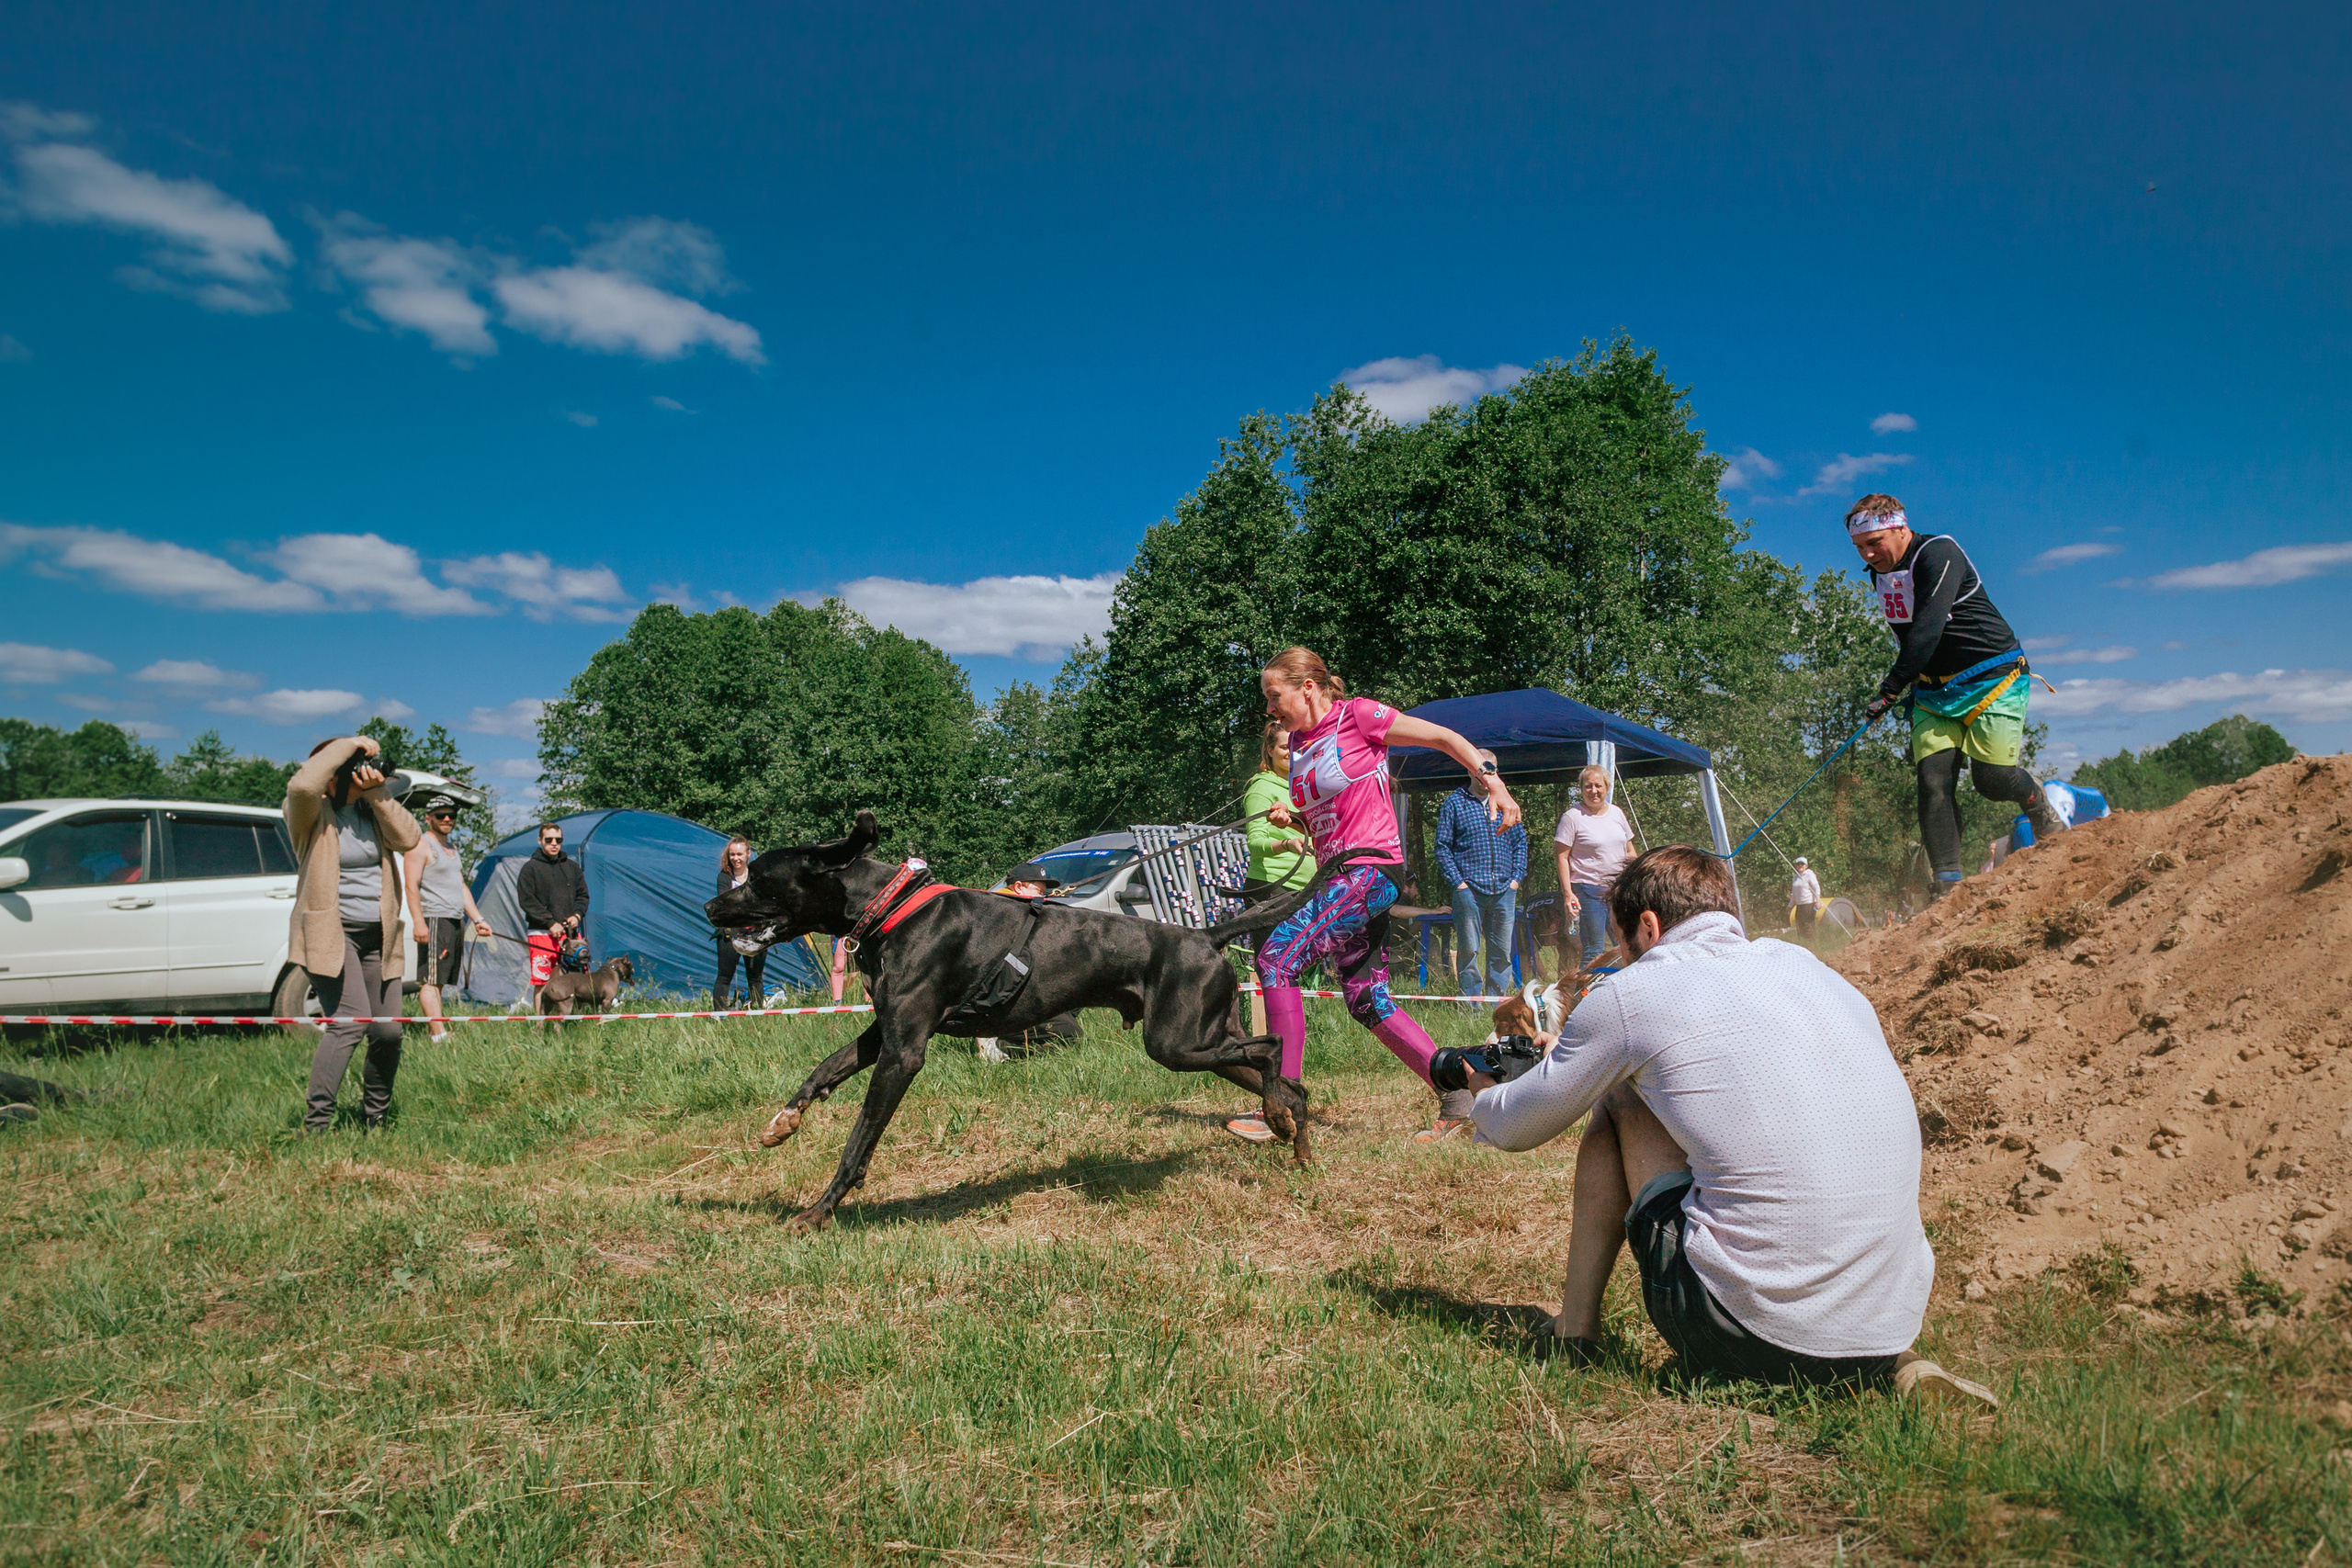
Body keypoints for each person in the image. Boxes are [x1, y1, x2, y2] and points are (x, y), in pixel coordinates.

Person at [1460, 845, 1995, 1404]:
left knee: (1619, 1095)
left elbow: (1516, 1128)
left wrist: (1481, 1088)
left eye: (1622, 942)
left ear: (1650, 925)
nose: (1620, 958)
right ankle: (1890, 1367)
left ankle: (1574, 1329)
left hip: (1738, 1327)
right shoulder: (1808, 969)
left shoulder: (1632, 993)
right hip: (1889, 1318)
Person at [1250, 646, 1522, 1145]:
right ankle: (1462, 1094)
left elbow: (1444, 738)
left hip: (1370, 872)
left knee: (1276, 960)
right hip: (1337, 874)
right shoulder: (1301, 745)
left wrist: (1495, 784)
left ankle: (1282, 1099)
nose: (1269, 707)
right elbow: (1329, 818)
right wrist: (1298, 818)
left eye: (1274, 695)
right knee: (1366, 998)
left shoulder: (1358, 716)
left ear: (1306, 687)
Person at [1849, 493, 2062, 900]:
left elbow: (1928, 629)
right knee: (1932, 780)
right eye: (1860, 547)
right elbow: (1907, 638)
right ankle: (1946, 884)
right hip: (1933, 689)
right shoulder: (1880, 574)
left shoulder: (1938, 552)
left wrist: (1891, 687)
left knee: (1992, 780)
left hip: (1992, 676)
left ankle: (2035, 801)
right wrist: (1910, 684)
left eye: (1875, 542)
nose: (1869, 554)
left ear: (1899, 527)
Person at [286, 736, 421, 1133]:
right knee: (349, 1022)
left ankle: (374, 1118)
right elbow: (303, 785)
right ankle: (316, 1126)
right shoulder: (310, 812)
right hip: (333, 934)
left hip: (379, 937)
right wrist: (349, 743)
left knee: (388, 1030)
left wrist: (377, 793)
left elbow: (410, 838)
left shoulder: (371, 810)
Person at [1436, 749, 1528, 998]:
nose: (1487, 775)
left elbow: (1520, 842)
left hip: (1504, 891)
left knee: (1501, 953)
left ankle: (1498, 1004)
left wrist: (1516, 880)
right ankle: (1471, 1008)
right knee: (1469, 950)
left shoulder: (1507, 802)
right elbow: (1442, 847)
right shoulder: (1455, 802)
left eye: (1492, 770)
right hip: (1469, 891)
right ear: (1470, 768)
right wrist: (1458, 883)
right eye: (1482, 769)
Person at [402, 795, 492, 1044]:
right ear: (428, 818)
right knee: (430, 980)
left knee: (440, 980)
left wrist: (477, 919)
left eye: (451, 815)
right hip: (433, 919)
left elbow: (461, 886)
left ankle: (437, 1031)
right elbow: (411, 886)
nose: (447, 819)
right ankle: (438, 1035)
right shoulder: (421, 845)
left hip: (454, 920)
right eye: (440, 814)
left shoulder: (452, 849)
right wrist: (418, 922)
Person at [978, 861, 1080, 1063]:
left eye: (1044, 892)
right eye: (1038, 891)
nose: (1043, 896)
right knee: (1071, 1033)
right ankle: (999, 1046)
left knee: (1077, 994)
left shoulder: (1018, 910)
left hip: (1021, 994)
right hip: (1002, 1004)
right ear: (1018, 887)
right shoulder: (1003, 914)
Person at [1554, 765, 1634, 968]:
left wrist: (1638, 881)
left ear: (1607, 788)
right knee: (1594, 950)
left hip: (1618, 891)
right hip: (1588, 891)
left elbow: (1630, 852)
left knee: (1624, 947)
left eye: (1598, 786)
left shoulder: (1617, 813)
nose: (1593, 791)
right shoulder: (1572, 817)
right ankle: (1584, 997)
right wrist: (1568, 894)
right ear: (1581, 789)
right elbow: (1561, 857)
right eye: (1588, 786)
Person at [515, 821, 589, 1007]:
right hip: (542, 934)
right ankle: (541, 1026)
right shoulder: (530, 869)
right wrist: (549, 922)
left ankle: (574, 1022)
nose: (554, 843)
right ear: (540, 840)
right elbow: (527, 901)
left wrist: (577, 915)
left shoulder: (571, 867)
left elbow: (583, 895)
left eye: (558, 840)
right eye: (549, 840)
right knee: (542, 981)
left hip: (571, 936)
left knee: (578, 979)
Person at [1243, 721, 1317, 901]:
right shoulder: (1262, 787)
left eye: (1297, 746)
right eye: (1285, 747)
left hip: (1310, 889)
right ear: (1270, 750)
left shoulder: (1306, 787)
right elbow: (1255, 844)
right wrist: (1287, 844)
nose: (1292, 752)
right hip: (1272, 889)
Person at [715, 835, 766, 1008]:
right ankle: (720, 1016)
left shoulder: (757, 875)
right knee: (724, 977)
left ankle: (758, 1013)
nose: (735, 858)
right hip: (731, 933)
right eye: (732, 855)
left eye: (739, 854)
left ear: (748, 854)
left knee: (755, 977)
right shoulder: (724, 877)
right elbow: (726, 904)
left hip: (756, 933)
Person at [1786, 856, 1822, 942]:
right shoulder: (1795, 877)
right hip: (1799, 905)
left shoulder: (1809, 874)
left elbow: (1816, 887)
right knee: (1799, 925)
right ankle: (1803, 943)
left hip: (1809, 904)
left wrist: (1818, 900)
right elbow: (1794, 894)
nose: (1800, 865)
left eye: (1802, 864)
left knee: (1808, 925)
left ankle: (1812, 943)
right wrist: (1790, 905)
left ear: (1806, 866)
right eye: (1798, 864)